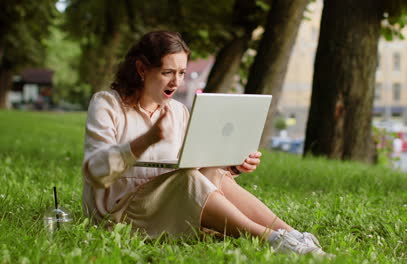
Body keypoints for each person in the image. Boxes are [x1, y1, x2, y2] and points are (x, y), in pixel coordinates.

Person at [82, 30, 332, 257]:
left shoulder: (178, 111)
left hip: (166, 204)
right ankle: (272, 239)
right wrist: (146, 140)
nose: (176, 82)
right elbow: (95, 172)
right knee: (188, 178)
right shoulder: (107, 104)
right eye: (167, 72)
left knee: (212, 173)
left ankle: (293, 235)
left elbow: (196, 169)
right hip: (118, 213)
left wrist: (232, 166)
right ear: (141, 69)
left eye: (181, 73)